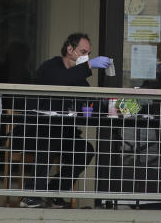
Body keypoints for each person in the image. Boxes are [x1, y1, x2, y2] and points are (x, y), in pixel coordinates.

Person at [18, 33, 113, 208]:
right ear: (70, 49)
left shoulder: (79, 79)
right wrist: (90, 65)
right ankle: (31, 195)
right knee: (51, 140)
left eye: (89, 54)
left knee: (85, 150)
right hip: (35, 132)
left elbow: (90, 101)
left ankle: (55, 192)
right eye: (83, 52)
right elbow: (60, 81)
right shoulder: (50, 66)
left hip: (63, 133)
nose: (86, 57)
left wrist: (113, 106)